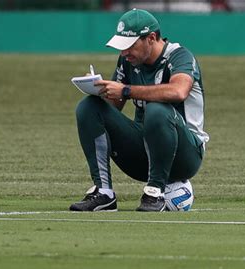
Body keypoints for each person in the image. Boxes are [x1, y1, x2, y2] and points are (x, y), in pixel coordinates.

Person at [69, 9, 209, 212]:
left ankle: (155, 192)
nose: (124, 53)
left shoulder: (180, 57)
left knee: (157, 109)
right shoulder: (127, 61)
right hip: (143, 153)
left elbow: (179, 91)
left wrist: (126, 90)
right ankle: (104, 193)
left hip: (185, 156)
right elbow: (111, 111)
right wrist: (98, 90)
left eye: (129, 46)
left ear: (151, 38)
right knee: (88, 107)